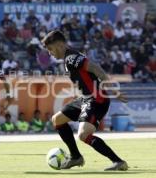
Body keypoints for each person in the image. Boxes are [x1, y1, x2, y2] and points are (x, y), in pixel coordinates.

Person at [41, 30, 128, 171]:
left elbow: (96, 68)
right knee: (57, 120)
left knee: (83, 135)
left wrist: (114, 90)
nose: (50, 53)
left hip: (96, 99)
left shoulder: (71, 58)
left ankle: (118, 162)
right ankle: (76, 157)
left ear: (60, 45)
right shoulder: (69, 57)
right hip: (85, 98)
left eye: (50, 49)